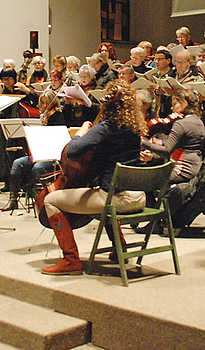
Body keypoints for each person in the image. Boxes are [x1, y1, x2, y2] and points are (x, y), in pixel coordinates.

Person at [39, 80, 145, 276]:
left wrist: (79, 134)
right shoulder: (134, 128)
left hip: (115, 200)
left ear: (108, 102)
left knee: (50, 200)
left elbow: (73, 151)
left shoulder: (106, 127)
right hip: (138, 197)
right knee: (102, 191)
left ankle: (70, 259)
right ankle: (119, 245)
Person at [1, 90, 65, 212]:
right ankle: (13, 199)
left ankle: (43, 200)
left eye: (47, 103)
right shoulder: (39, 118)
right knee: (17, 163)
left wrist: (46, 126)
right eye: (43, 103)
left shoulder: (58, 116)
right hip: (37, 153)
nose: (45, 106)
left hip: (52, 156)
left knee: (38, 167)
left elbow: (58, 137)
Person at [142, 90, 205, 184]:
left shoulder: (181, 123)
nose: (171, 108)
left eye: (174, 104)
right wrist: (161, 144)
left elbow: (167, 151)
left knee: (142, 179)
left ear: (184, 104)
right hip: (196, 167)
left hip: (181, 169)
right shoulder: (199, 121)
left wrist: (143, 143)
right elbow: (184, 144)